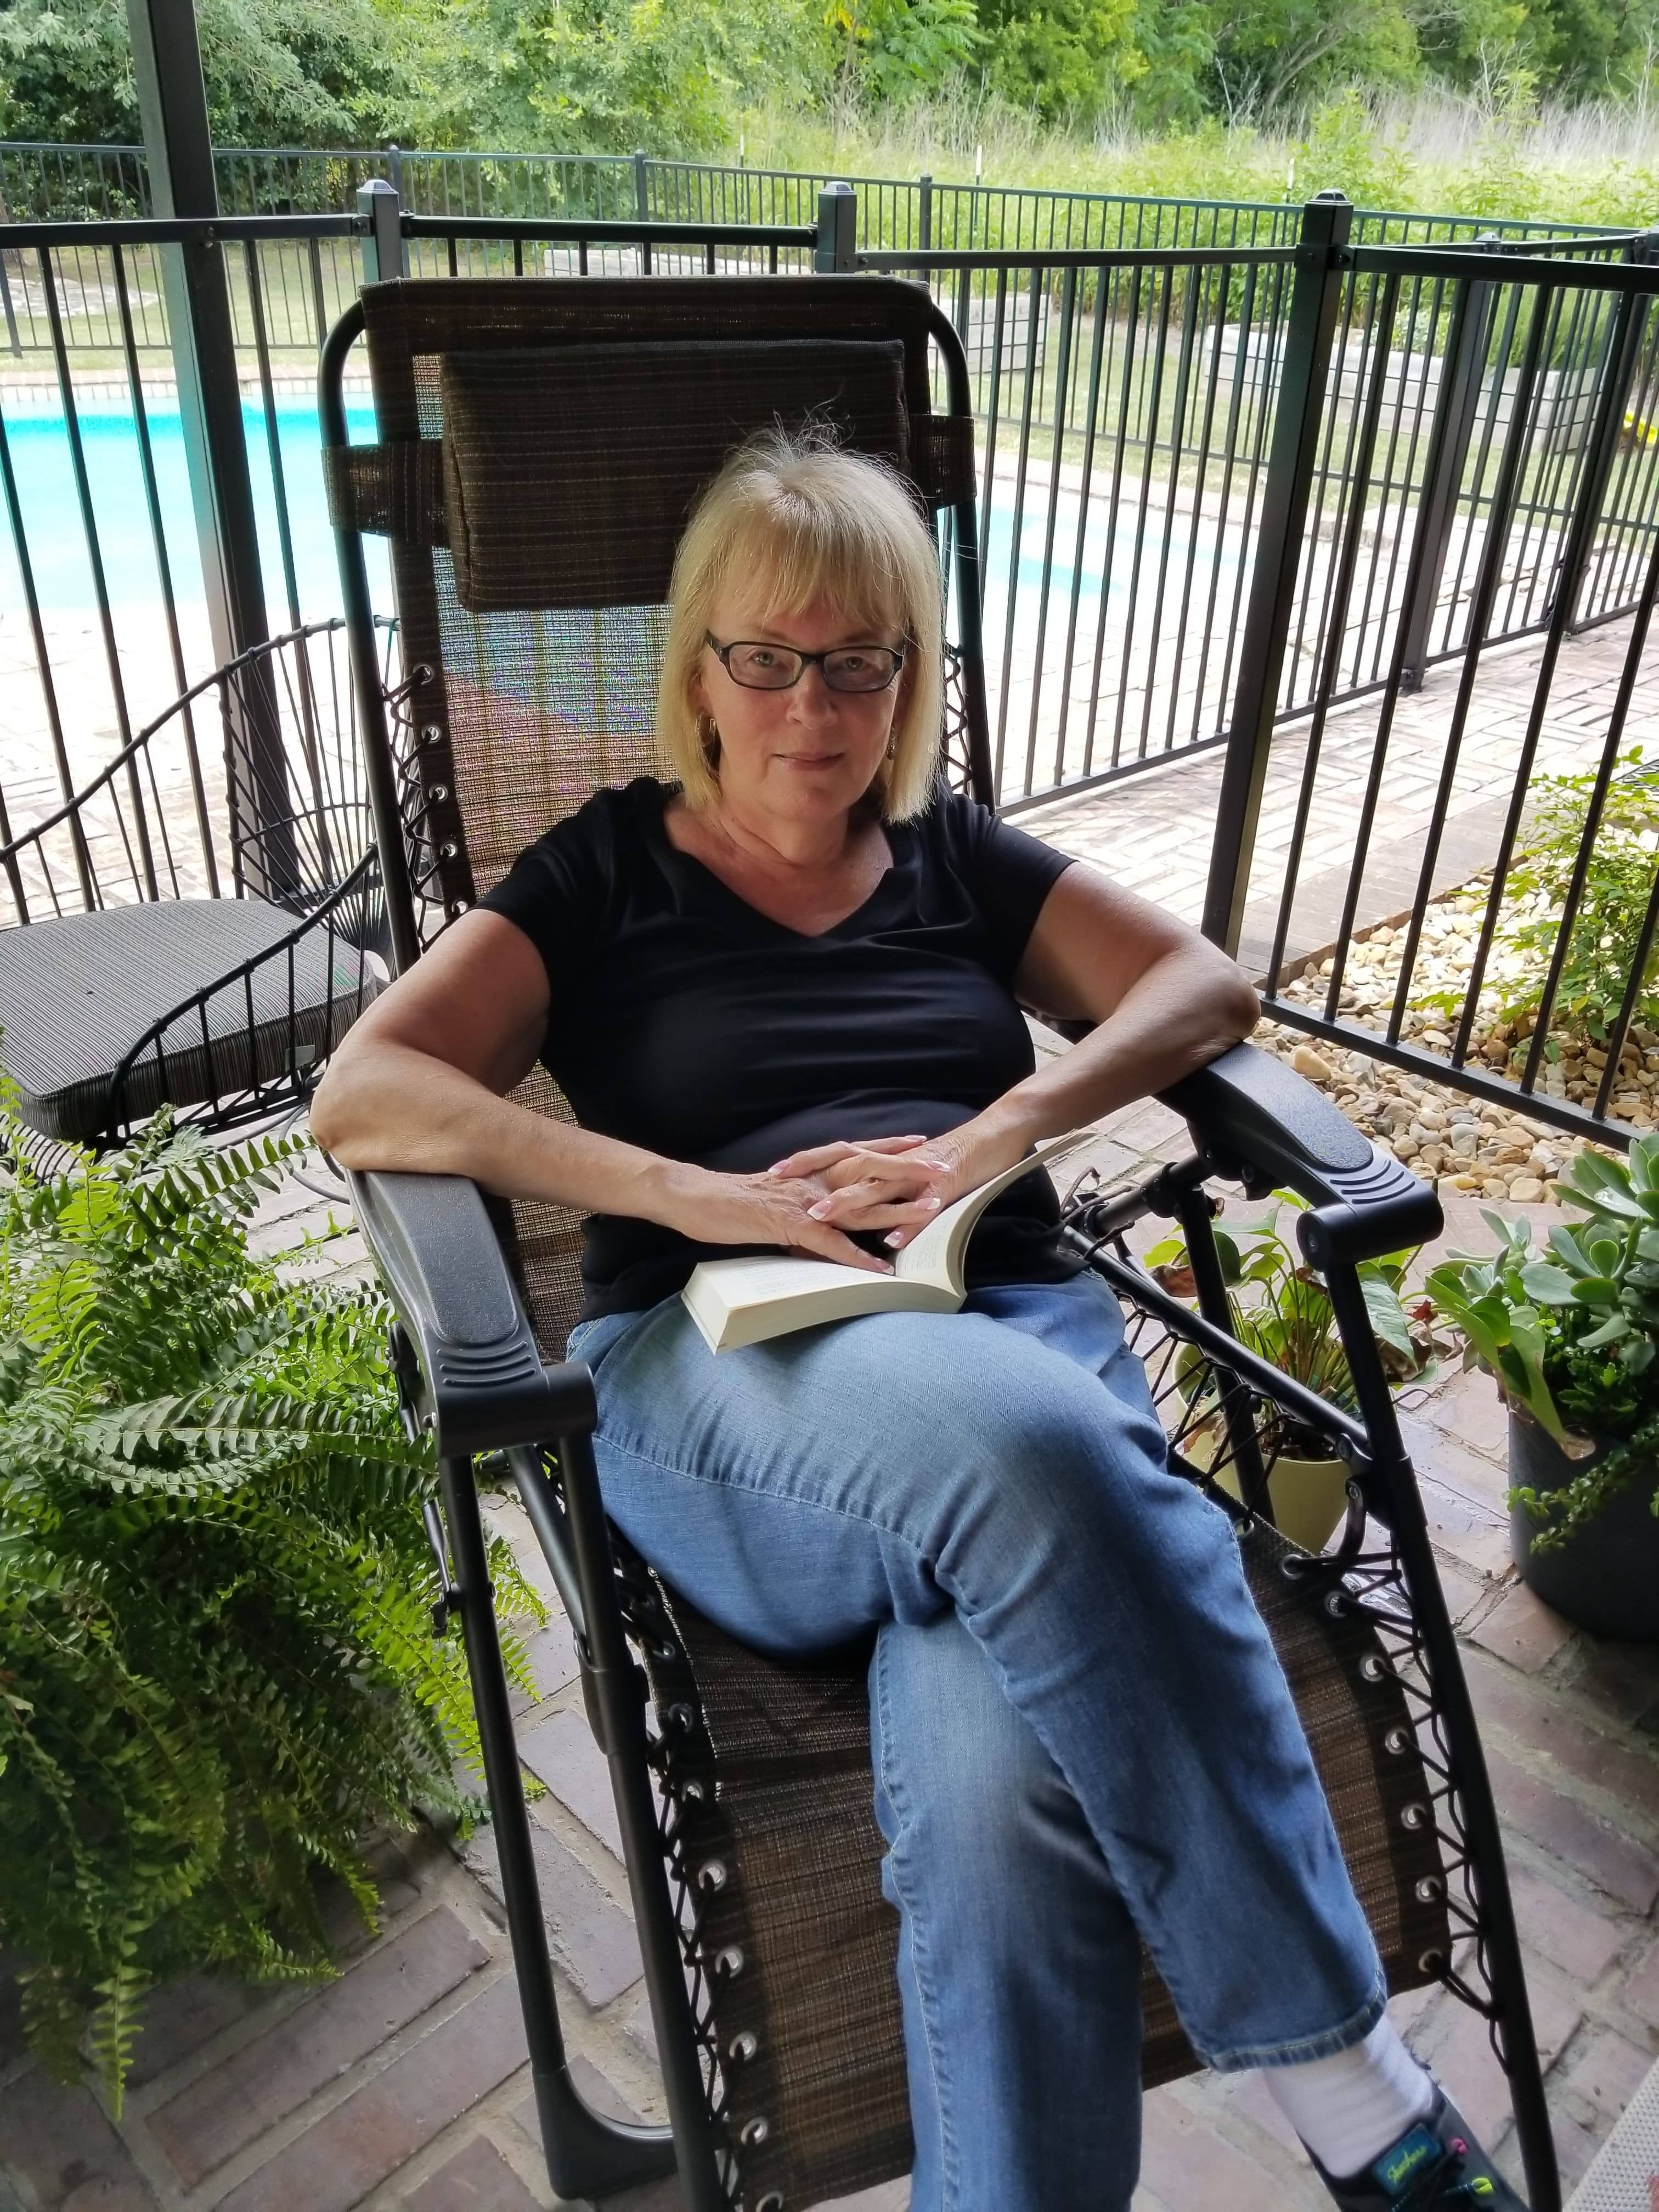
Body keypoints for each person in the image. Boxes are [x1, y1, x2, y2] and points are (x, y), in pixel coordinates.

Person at [312, 428, 1525, 2212]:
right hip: (723, 1374)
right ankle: (1354, 2090)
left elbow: (1204, 982)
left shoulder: (954, 861)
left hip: (1010, 1310)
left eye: (863, 663)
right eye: (770, 659)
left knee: (1004, 1785)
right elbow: (364, 1091)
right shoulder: (601, 876)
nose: (817, 707)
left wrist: (1010, 1123)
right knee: (1044, 1453)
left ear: (910, 678)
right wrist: (685, 1191)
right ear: (701, 672)